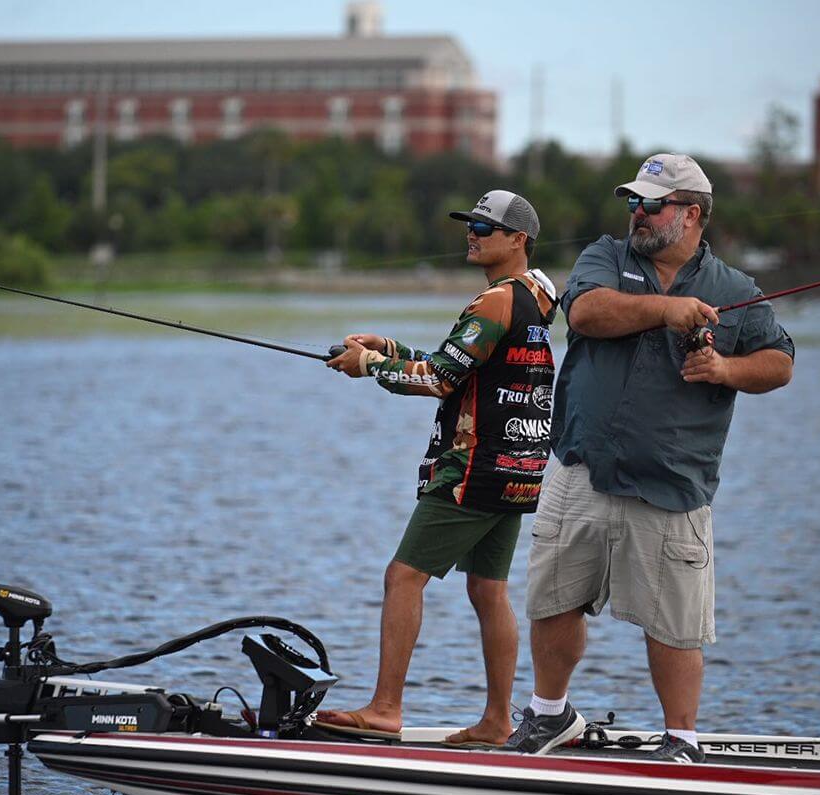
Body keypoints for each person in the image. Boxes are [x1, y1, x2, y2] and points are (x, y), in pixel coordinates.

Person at [504, 155, 794, 762]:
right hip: (582, 468)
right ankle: (550, 716)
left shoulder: (735, 291)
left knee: (676, 625)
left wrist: (725, 368)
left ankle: (681, 741)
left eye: (652, 204)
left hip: (671, 485)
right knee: (554, 599)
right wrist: (667, 311)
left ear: (690, 214)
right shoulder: (605, 258)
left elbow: (780, 362)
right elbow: (585, 312)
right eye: (633, 201)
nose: (637, 212)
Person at [318, 190, 558, 747]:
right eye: (470, 225)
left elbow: (442, 381)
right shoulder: (535, 298)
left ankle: (385, 709)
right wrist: (393, 346)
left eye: (484, 227)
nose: (472, 234)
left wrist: (370, 365)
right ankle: (500, 721)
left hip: (472, 467)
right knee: (487, 589)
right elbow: (465, 365)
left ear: (518, 239)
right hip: (518, 467)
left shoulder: (494, 301)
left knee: (403, 577)